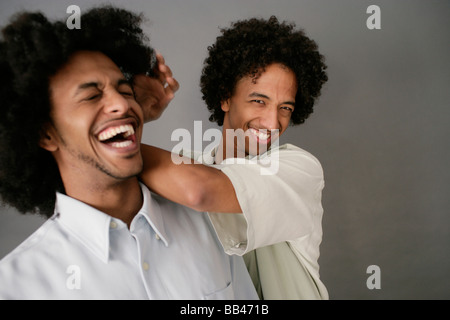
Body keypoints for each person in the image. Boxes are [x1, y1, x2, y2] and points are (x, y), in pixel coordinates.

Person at [0, 6, 258, 300]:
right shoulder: (15, 286)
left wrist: (111, 133)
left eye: (124, 91)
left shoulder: (209, 225)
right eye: (92, 96)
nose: (123, 105)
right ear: (46, 134)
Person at [140, 16, 329, 299]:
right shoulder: (187, 165)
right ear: (226, 98)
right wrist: (135, 117)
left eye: (285, 107)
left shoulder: (299, 170)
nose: (272, 121)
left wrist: (103, 138)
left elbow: (200, 191)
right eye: (259, 101)